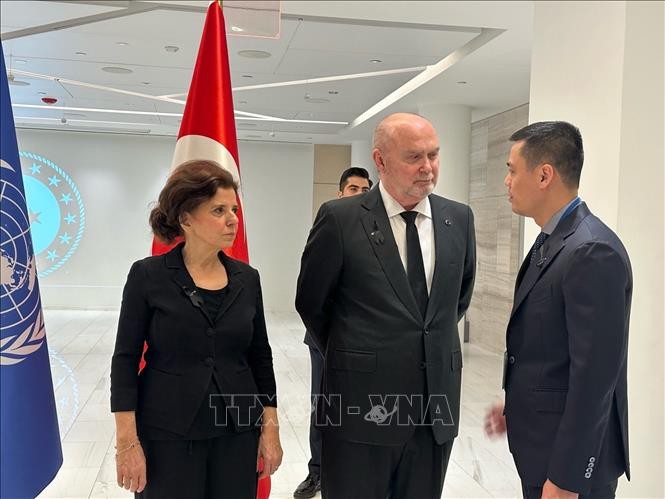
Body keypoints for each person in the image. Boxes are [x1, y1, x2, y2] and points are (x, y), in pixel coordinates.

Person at [296, 112, 476, 499]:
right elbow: (312, 303)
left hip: (434, 413)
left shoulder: (457, 219)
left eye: (434, 155)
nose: (427, 168)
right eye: (414, 157)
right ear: (380, 161)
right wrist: (359, 352)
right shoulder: (340, 219)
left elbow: (455, 300)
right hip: (359, 412)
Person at [110, 160, 283, 499]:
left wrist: (270, 428)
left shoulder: (248, 279)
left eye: (234, 208)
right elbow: (125, 360)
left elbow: (260, 357)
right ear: (185, 218)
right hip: (168, 431)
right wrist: (126, 443)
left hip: (237, 429)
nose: (233, 218)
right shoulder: (148, 276)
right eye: (218, 210)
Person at [484, 121, 631, 499]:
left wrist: (568, 478)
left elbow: (595, 380)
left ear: (544, 174)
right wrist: (515, 405)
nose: (507, 182)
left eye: (512, 170)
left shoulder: (591, 251)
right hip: (542, 447)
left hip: (571, 469)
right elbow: (548, 350)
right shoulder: (551, 242)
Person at [294, 167, 373, 499]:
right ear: (340, 193)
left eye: (364, 189)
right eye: (352, 188)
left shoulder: (380, 231)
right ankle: (318, 472)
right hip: (326, 338)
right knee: (324, 405)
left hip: (370, 343)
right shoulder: (330, 223)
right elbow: (312, 293)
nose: (358, 193)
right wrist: (329, 340)